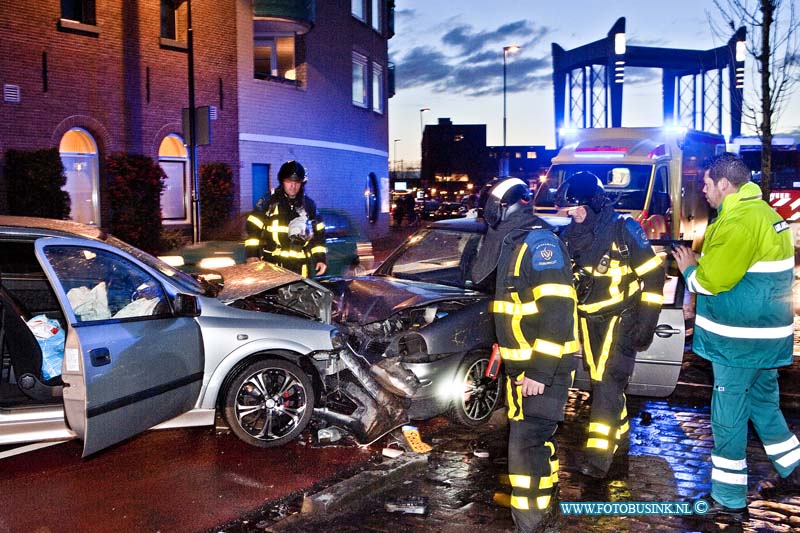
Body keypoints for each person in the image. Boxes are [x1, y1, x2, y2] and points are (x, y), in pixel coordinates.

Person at [673, 153, 799, 522]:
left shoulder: (738, 222)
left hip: (738, 342)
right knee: (763, 404)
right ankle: (793, 469)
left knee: (727, 417)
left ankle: (727, 498)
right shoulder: (763, 214)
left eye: (708, 183)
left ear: (725, 184)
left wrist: (688, 269)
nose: (704, 191)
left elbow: (711, 281)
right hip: (765, 336)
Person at [470, 176, 578, 532]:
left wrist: (539, 372)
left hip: (543, 370)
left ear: (503, 208)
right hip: (523, 368)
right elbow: (495, 290)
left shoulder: (539, 244)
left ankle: (530, 523)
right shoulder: (512, 242)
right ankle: (547, 510)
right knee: (536, 443)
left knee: (525, 446)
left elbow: (559, 312)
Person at [554, 172, 664, 479]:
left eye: (577, 207)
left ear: (594, 204)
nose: (572, 213)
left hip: (623, 318)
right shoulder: (567, 236)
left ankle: (599, 458)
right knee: (603, 382)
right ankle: (622, 436)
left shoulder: (623, 228)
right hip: (589, 320)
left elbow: (654, 277)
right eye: (569, 208)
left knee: (606, 384)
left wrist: (646, 323)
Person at [245, 160, 327, 277]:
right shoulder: (269, 201)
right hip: (272, 266)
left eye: (297, 182)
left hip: (300, 268)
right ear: (282, 181)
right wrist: (252, 254)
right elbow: (253, 229)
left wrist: (320, 259)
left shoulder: (309, 206)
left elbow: (319, 236)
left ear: (302, 183)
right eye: (289, 181)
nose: (293, 186)